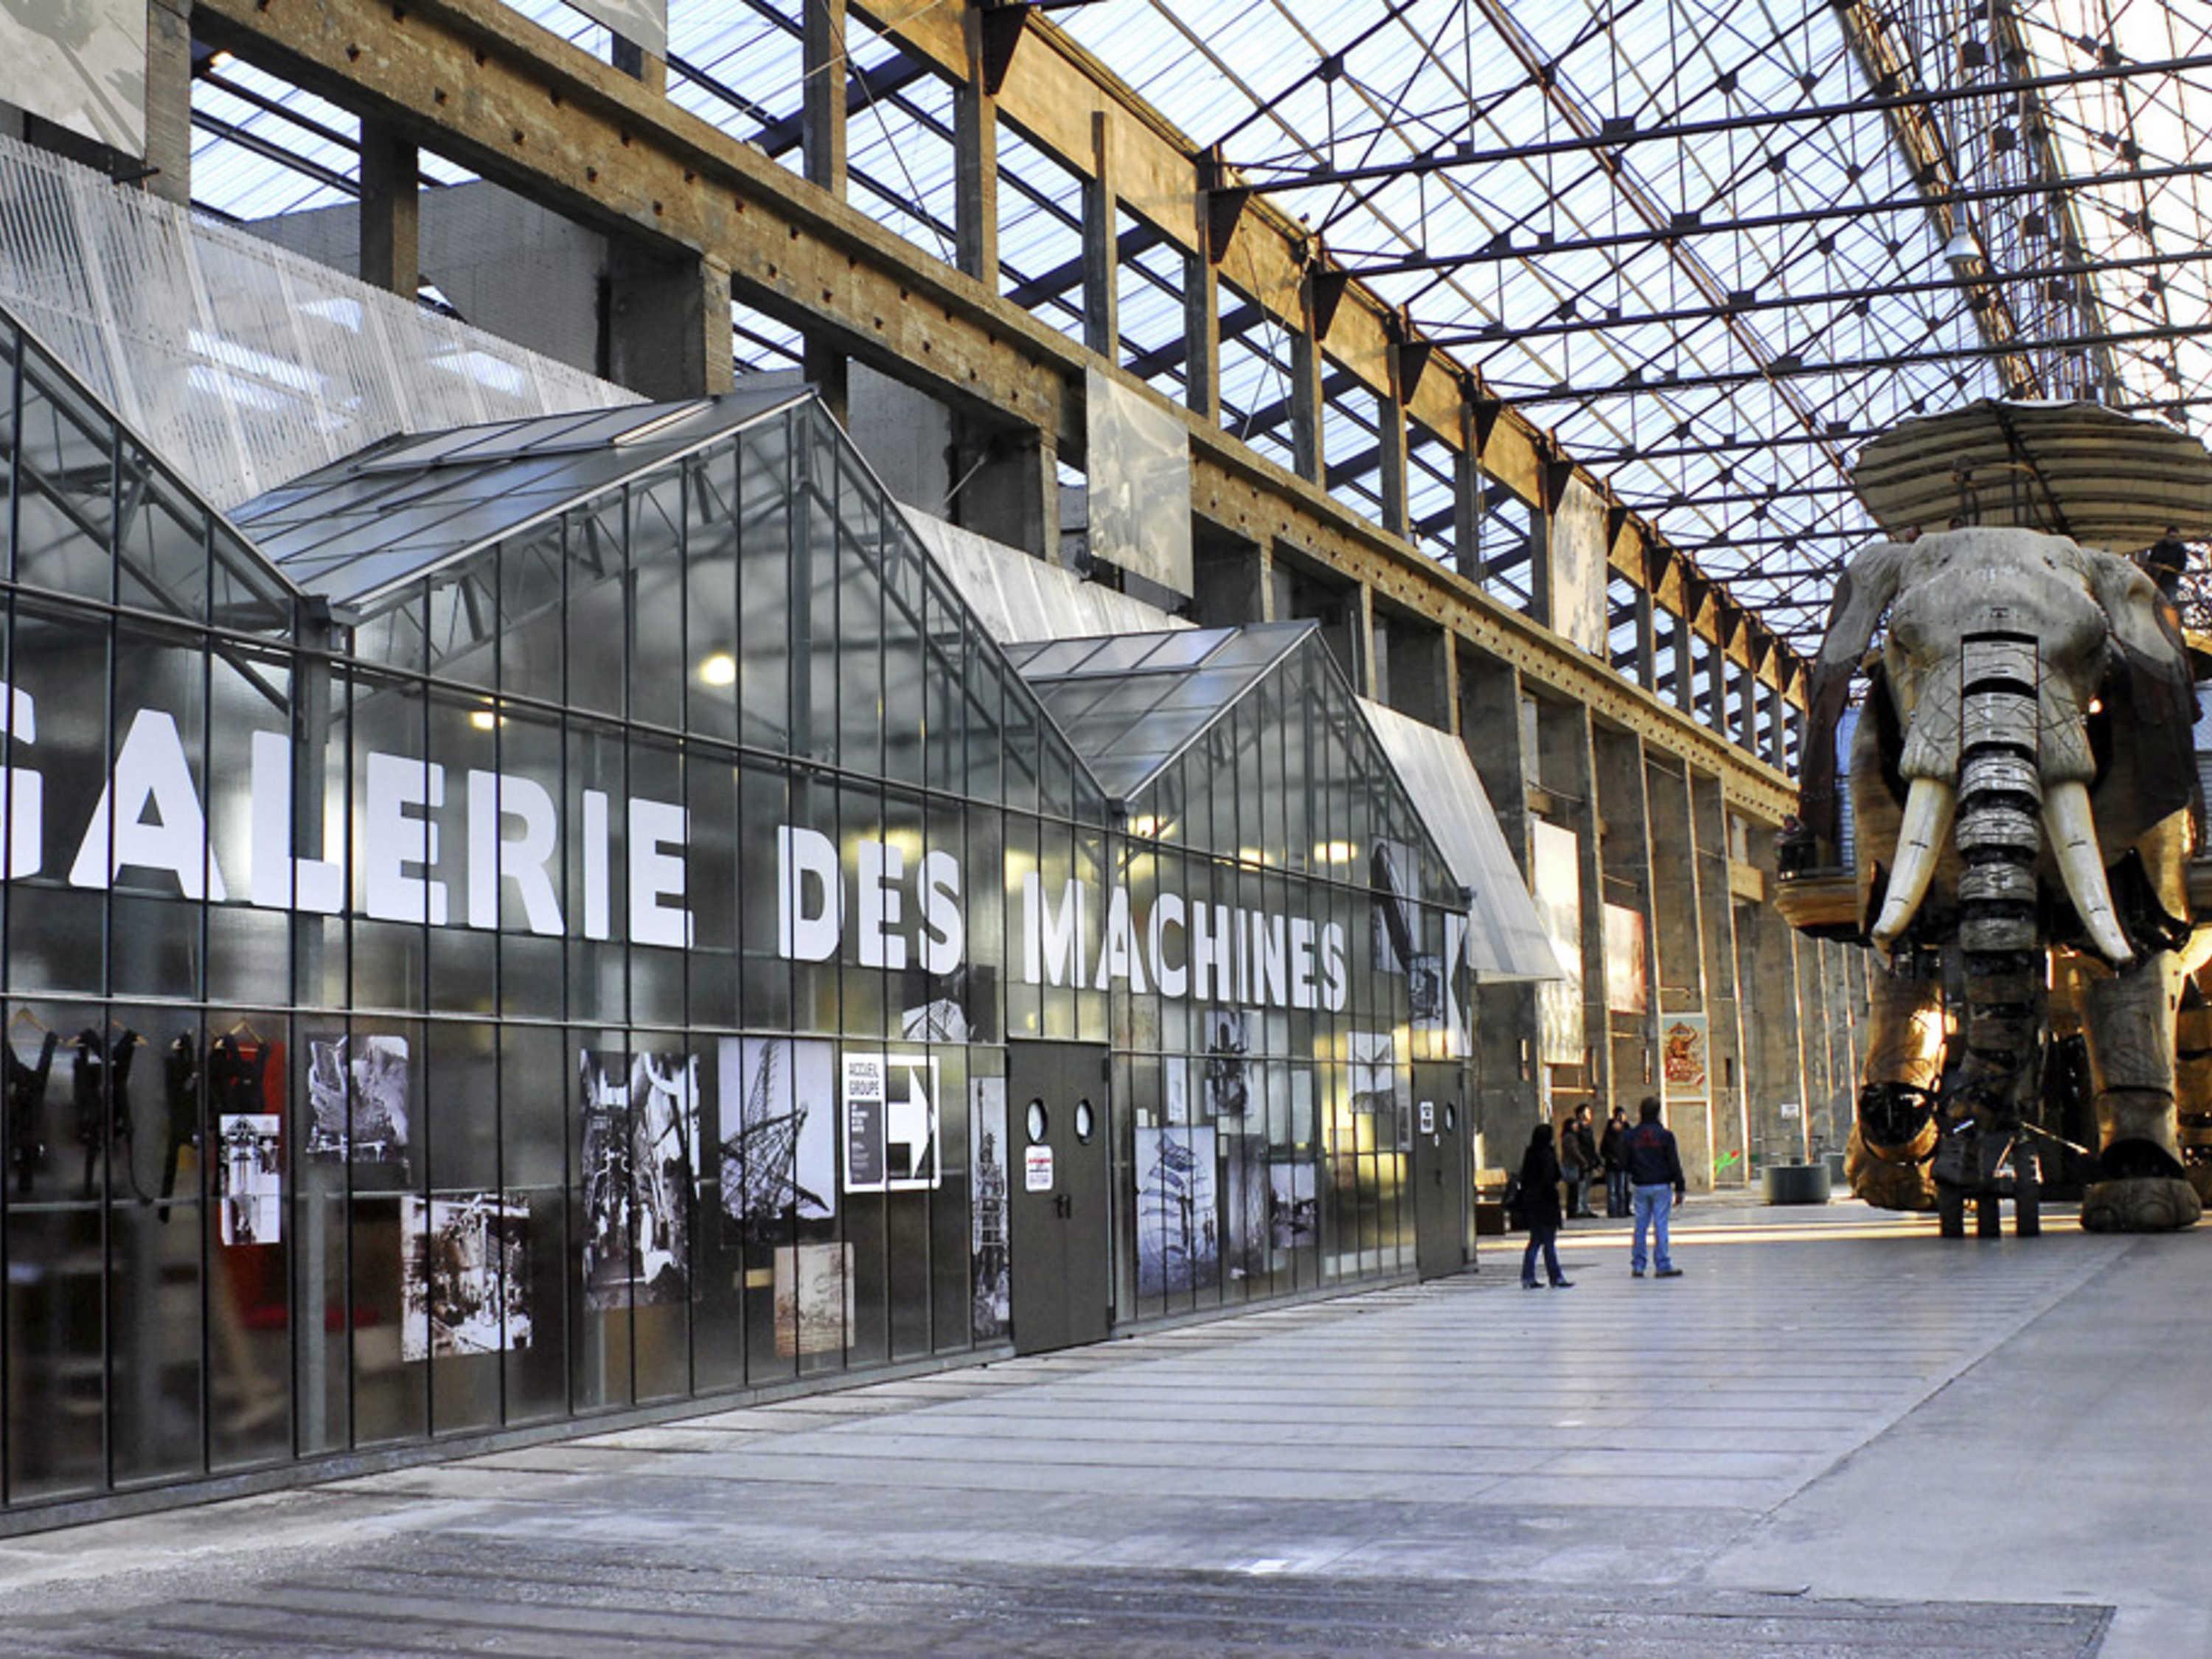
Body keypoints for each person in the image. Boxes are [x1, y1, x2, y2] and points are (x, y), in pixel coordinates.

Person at [1621, 1095, 1686, 1279]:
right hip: (1661, 1184)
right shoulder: (1665, 1136)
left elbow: (1625, 1161)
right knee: (1661, 1224)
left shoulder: (1631, 1136)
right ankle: (1662, 1264)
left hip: (1641, 1185)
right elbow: (1674, 1162)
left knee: (1640, 1225)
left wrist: (1633, 1174)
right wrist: (1680, 1185)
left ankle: (1639, 1265)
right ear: (1658, 1112)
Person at [1514, 1123, 1572, 1290]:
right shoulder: (1547, 1154)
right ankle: (1556, 1277)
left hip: (1532, 1202)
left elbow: (1525, 1177)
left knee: (1535, 1241)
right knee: (1548, 1242)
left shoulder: (1530, 1153)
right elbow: (1553, 1176)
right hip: (1546, 1203)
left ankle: (1528, 1277)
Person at [1556, 1107, 1590, 1221]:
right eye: (1574, 1125)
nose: (1577, 1127)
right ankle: (1573, 1211)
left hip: (1571, 1164)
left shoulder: (1569, 1137)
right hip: (1572, 1165)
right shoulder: (1570, 1138)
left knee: (1574, 1190)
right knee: (1573, 1190)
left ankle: (1573, 1210)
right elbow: (1574, 1151)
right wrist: (1583, 1161)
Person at [1568, 1105, 1600, 1218]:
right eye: (1587, 1112)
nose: (1590, 1114)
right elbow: (1577, 1147)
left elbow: (1592, 1146)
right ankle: (1579, 1208)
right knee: (1581, 1187)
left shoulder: (1588, 1128)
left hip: (1589, 1161)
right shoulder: (1577, 1129)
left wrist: (1596, 1161)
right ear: (1581, 1114)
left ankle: (1585, 1207)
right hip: (1581, 1162)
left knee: (1587, 1186)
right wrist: (1582, 1160)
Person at [1599, 1104, 1630, 1218]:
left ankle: (1623, 1210)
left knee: (1622, 1190)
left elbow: (1629, 1146)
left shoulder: (1627, 1130)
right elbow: (1603, 1149)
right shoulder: (1609, 1133)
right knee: (1612, 1190)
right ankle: (1613, 1211)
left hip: (1623, 1165)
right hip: (1611, 1165)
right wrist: (1611, 1158)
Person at [2145, 526, 2189, 602]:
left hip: (2170, 581)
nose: (2172, 539)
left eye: (2175, 537)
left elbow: (2182, 565)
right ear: (2166, 536)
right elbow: (2151, 561)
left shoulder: (2180, 549)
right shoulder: (2158, 546)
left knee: (2169, 602)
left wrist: (2168, 566)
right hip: (2156, 580)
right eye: (2171, 537)